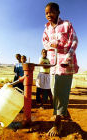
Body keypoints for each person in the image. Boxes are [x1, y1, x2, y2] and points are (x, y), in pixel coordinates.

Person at [42, 2, 79, 136]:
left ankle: (58, 123)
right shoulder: (46, 28)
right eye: (46, 13)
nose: (48, 15)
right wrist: (52, 44)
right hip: (53, 63)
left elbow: (74, 41)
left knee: (60, 90)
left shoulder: (67, 25)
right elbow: (45, 43)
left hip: (65, 62)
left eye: (51, 12)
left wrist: (68, 57)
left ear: (58, 12)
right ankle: (63, 111)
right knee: (53, 90)